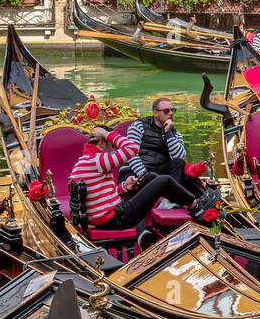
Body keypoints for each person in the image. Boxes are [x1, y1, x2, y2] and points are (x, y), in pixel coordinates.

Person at [69, 126, 208, 231]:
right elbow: (133, 148)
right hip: (114, 219)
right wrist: (107, 134)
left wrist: (123, 187)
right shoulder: (97, 161)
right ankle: (195, 206)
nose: (113, 150)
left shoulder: (84, 161)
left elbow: (96, 197)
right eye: (112, 147)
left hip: (106, 216)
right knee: (163, 180)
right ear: (101, 143)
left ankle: (175, 204)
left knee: (150, 177)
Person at [125, 98, 205, 198]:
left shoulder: (175, 133)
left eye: (173, 110)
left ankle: (170, 200)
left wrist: (168, 133)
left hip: (160, 172)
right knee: (153, 176)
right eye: (166, 111)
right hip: (138, 172)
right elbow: (130, 154)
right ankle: (174, 198)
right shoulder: (139, 126)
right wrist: (143, 175)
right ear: (155, 113)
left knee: (179, 163)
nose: (171, 113)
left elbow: (179, 157)